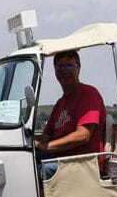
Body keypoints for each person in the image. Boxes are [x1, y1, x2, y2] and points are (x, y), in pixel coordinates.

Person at [35, 50, 107, 179]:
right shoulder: (60, 103)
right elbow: (46, 136)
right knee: (25, 159)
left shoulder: (89, 94)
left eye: (69, 66)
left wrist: (45, 147)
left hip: (82, 164)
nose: (64, 71)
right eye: (59, 67)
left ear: (78, 68)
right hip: (61, 159)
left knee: (32, 171)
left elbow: (83, 135)